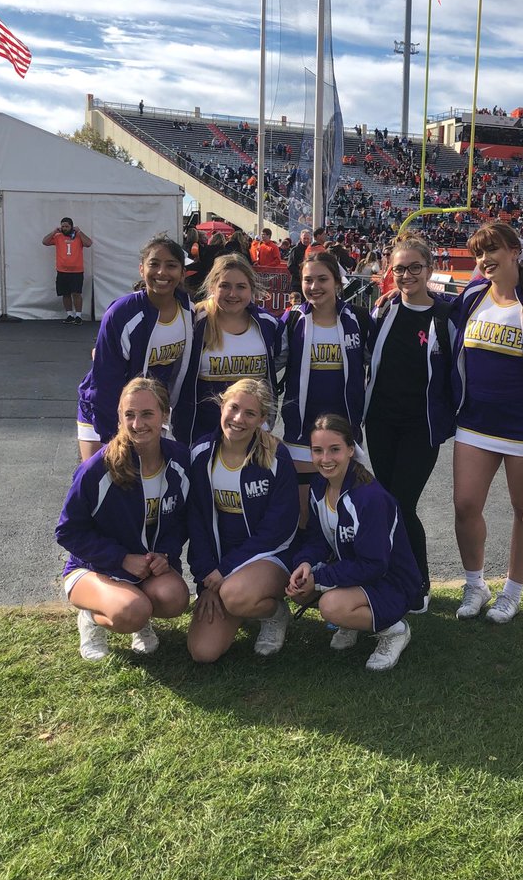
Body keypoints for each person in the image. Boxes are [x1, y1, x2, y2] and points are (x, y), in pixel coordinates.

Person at [450, 222, 523, 624]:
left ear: (515, 251)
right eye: (479, 253)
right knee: (465, 505)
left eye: (492, 249)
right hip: (475, 423)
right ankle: (474, 583)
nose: (484, 259)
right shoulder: (473, 296)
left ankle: (512, 589)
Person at [56, 377, 190, 662]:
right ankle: (92, 617)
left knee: (176, 598)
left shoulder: (180, 461)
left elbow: (183, 519)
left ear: (164, 415)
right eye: (129, 414)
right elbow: (67, 531)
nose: (138, 423)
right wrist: (120, 558)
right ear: (120, 417)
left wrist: (165, 553)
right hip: (93, 568)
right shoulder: (98, 469)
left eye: (147, 414)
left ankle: (136, 612)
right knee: (132, 611)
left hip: (145, 569)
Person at [286, 414, 421, 671]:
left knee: (331, 606)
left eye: (334, 449)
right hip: (358, 572)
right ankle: (352, 621)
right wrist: (305, 563)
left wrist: (321, 577)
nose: (325, 459)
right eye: (318, 451)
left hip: (392, 582)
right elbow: (317, 538)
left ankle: (394, 630)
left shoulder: (370, 499)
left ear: (350, 449)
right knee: (301, 589)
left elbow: (374, 565)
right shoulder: (318, 486)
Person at [364, 236, 454, 611]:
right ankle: (391, 573)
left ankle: (419, 580)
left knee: (402, 502)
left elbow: (457, 371)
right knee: (386, 502)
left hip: (421, 426)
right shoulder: (383, 310)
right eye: (399, 268)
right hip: (381, 422)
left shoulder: (446, 316)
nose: (407, 275)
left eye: (415, 267)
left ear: (429, 269)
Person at [187, 378, 299, 663]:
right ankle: (238, 600)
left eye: (250, 413)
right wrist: (206, 580)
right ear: (222, 405)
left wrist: (224, 571)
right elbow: (197, 521)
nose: (238, 419)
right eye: (233, 408)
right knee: (203, 652)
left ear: (262, 419)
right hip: (221, 571)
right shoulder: (201, 454)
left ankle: (274, 614)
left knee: (236, 595)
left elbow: (278, 529)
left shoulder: (276, 456)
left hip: (269, 556)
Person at [76, 234, 195, 462]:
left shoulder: (189, 311)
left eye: (171, 265)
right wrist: (113, 436)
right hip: (103, 412)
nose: (162, 272)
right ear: (142, 269)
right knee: (100, 478)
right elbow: (105, 384)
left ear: (182, 273)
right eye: (154, 264)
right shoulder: (122, 313)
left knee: (144, 484)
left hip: (149, 413)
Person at [275, 250, 369, 519]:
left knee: (341, 510)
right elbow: (269, 363)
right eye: (308, 280)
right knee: (303, 513)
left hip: (344, 429)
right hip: (301, 430)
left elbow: (380, 363)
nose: (314, 287)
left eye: (322, 279)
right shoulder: (292, 320)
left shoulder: (358, 320)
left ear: (337, 282)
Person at [180, 254, 279, 443]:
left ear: (252, 289)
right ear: (212, 287)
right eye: (224, 286)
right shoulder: (194, 324)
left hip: (254, 434)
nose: (232, 294)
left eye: (241, 287)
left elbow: (280, 359)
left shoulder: (268, 324)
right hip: (204, 435)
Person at [42, 217, 92, 323]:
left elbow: (89, 243)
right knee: (65, 294)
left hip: (76, 271)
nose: (64, 228)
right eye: (63, 226)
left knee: (76, 293)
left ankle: (78, 316)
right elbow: (45, 242)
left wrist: (80, 231)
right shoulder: (58, 236)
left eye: (67, 226)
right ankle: (69, 315)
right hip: (62, 271)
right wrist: (54, 231)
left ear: (71, 227)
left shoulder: (78, 236)